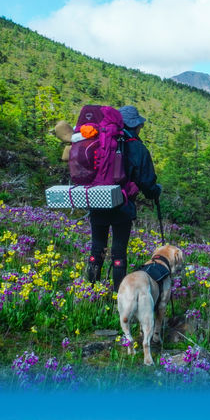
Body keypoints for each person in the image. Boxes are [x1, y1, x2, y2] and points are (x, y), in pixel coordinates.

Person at [87, 105, 162, 292]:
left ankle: (90, 289)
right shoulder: (137, 148)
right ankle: (118, 294)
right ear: (134, 125)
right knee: (118, 252)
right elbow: (147, 182)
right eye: (139, 125)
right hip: (123, 205)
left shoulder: (101, 141)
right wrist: (155, 192)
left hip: (98, 201)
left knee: (97, 247)